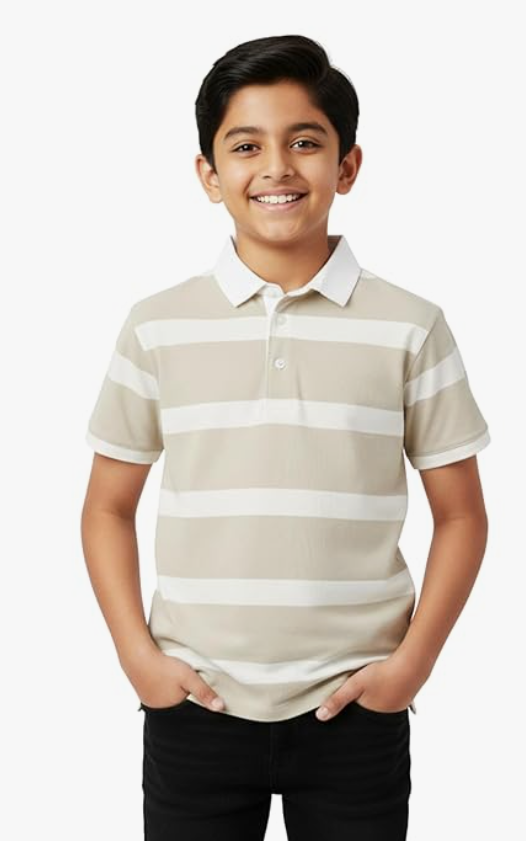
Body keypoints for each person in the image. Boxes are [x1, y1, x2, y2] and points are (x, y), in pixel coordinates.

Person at [81, 33, 490, 841]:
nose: (276, 167)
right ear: (209, 174)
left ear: (348, 165)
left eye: (305, 142)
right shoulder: (156, 326)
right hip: (196, 704)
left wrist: (410, 667)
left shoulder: (411, 326)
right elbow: (106, 507)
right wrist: (137, 656)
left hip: (356, 709)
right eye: (246, 146)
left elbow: (462, 514)